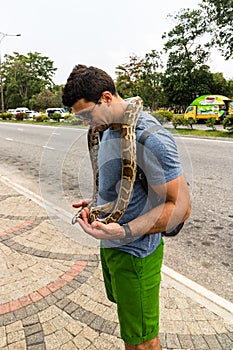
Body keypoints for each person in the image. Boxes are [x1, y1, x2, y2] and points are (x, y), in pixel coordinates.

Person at [62, 64, 191, 350]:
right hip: (113, 247)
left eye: (86, 114)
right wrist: (99, 205)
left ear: (106, 98)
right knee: (130, 327)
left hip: (135, 254)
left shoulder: (150, 138)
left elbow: (181, 207)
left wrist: (124, 231)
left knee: (141, 342)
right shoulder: (106, 128)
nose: (86, 123)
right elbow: (125, 187)